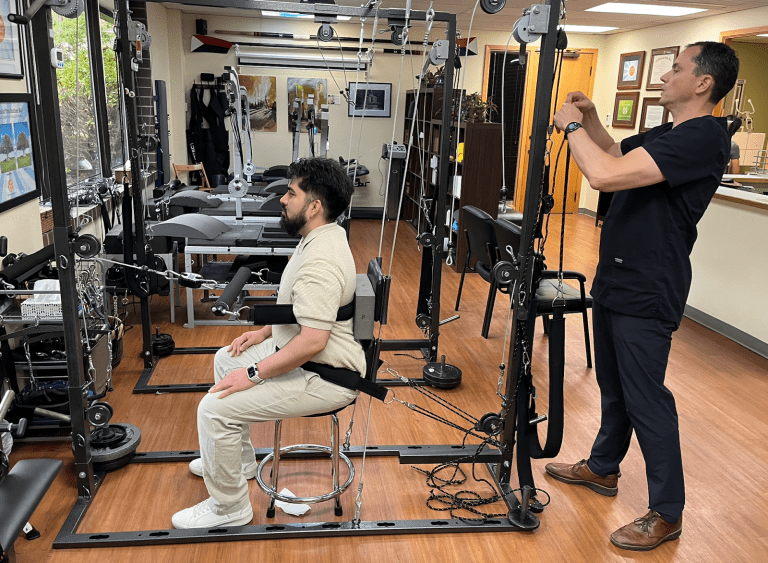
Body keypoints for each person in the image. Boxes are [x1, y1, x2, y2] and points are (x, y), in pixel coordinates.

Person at [545, 42, 739, 551]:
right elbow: (616, 155)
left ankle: (667, 512)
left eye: (676, 69)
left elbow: (603, 175)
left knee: (647, 398)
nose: (665, 76)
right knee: (614, 385)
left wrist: (568, 129)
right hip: (618, 276)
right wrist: (588, 122)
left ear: (702, 83)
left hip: (649, 286)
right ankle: (604, 468)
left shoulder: (702, 138)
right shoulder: (671, 133)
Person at [172, 157, 365, 529]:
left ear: (314, 206)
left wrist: (255, 374)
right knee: (226, 359)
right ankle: (238, 462)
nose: (282, 200)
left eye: (291, 194)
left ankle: (229, 508)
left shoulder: (321, 260)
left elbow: (311, 341)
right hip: (307, 353)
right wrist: (263, 333)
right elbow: (304, 310)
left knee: (213, 408)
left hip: (326, 374)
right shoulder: (321, 235)